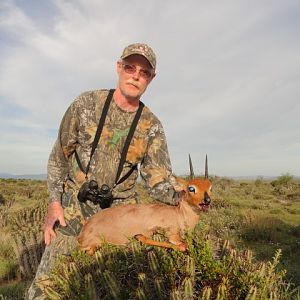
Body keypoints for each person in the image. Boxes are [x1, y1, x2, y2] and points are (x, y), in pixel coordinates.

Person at [27, 43, 180, 299]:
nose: (135, 75)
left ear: (151, 79)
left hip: (120, 218)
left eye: (144, 72)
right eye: (130, 67)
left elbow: (157, 178)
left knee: (111, 288)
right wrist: (55, 203)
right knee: (47, 287)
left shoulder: (152, 126)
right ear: (119, 67)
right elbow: (59, 158)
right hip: (73, 209)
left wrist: (185, 197)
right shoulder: (86, 104)